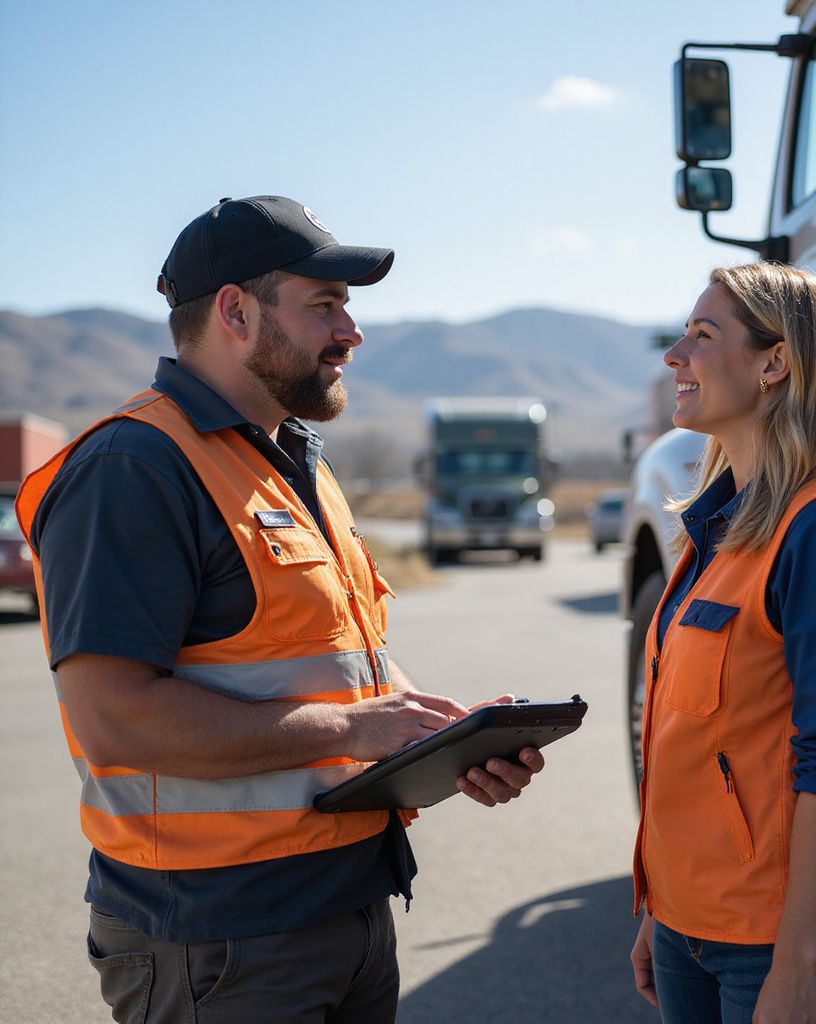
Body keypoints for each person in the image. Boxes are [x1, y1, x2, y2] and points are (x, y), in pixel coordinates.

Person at [16, 195, 545, 1024]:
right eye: (324, 305)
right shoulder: (133, 467)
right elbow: (114, 720)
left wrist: (441, 740)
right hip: (216, 939)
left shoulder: (294, 461)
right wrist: (354, 732)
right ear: (235, 310)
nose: (352, 331)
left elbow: (334, 663)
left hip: (346, 906)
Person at [629, 262, 816, 1024]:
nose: (675, 355)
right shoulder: (717, 530)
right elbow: (700, 741)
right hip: (694, 928)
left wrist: (797, 965)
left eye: (703, 334)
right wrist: (663, 909)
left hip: (782, 947)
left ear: (775, 362)